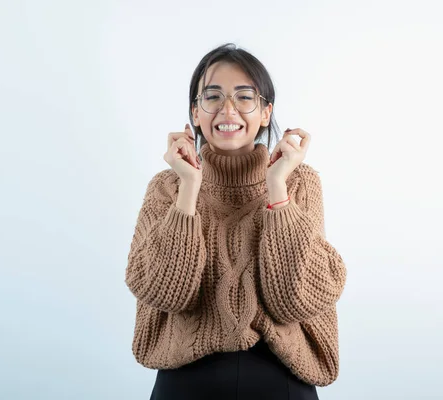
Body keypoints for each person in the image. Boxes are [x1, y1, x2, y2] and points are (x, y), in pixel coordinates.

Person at [125, 42, 348, 400]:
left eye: (245, 97)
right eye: (212, 97)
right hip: (184, 383)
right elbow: (163, 292)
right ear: (195, 114)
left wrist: (276, 187)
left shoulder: (298, 182)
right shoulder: (167, 186)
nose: (228, 110)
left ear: (265, 112)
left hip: (283, 382)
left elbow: (297, 299)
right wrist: (189, 190)